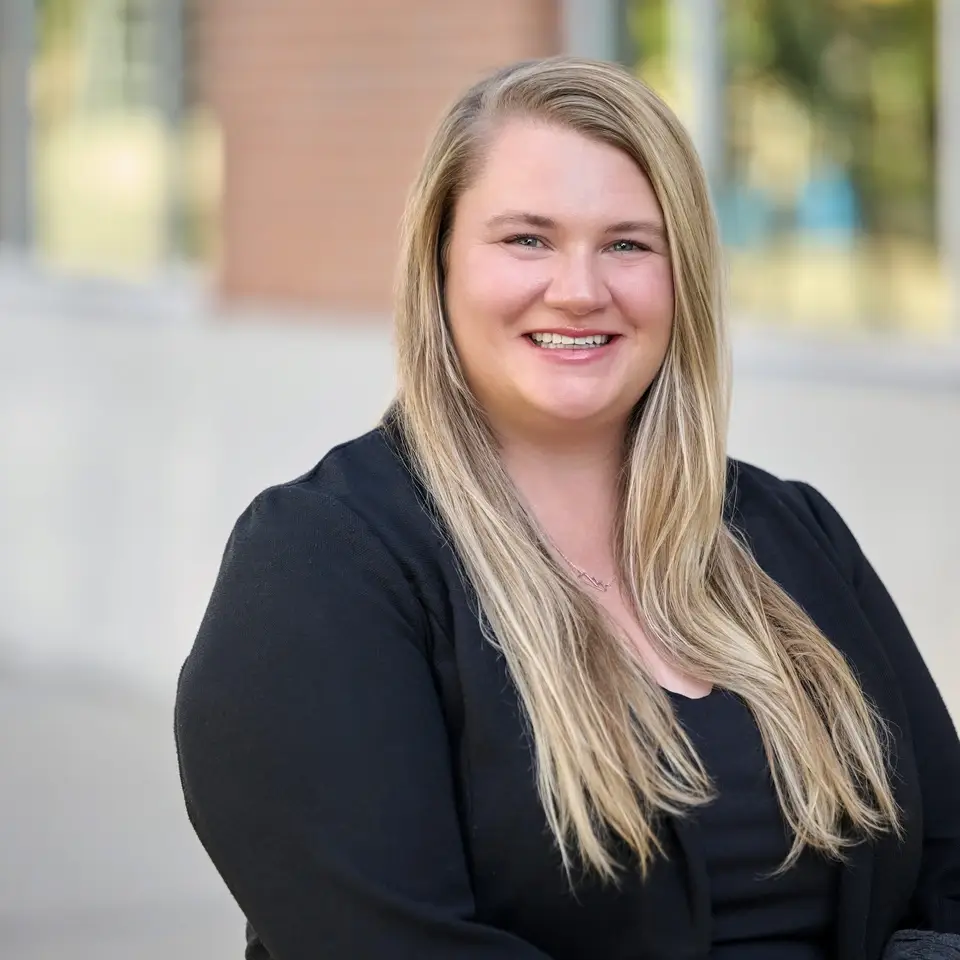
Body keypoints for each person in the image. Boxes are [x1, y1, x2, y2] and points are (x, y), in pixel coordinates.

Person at [174, 57, 960, 960]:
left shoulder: (792, 539)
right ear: (439, 264)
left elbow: (948, 866)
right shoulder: (322, 567)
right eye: (527, 240)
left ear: (684, 279)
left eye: (628, 243)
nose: (581, 289)